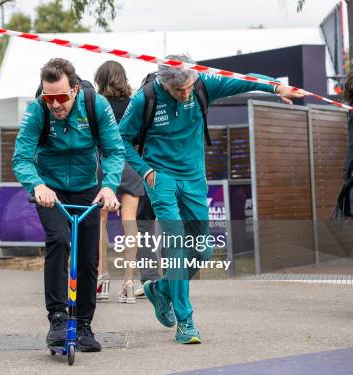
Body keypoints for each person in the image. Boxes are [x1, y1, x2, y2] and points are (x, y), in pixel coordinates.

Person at [119, 54, 306, 344]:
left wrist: (275, 87)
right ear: (165, 84)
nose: (187, 94)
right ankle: (186, 321)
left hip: (194, 178)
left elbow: (244, 80)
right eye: (180, 91)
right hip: (162, 178)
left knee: (203, 251)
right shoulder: (145, 99)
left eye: (190, 87)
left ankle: (161, 290)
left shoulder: (203, 84)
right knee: (177, 243)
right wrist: (146, 172)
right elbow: (122, 140)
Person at [13, 58, 125, 352]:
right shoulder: (38, 109)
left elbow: (114, 150)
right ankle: (58, 319)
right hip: (50, 190)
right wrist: (37, 185)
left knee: (88, 257)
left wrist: (109, 186)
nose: (55, 105)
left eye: (61, 97)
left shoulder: (96, 105)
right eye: (49, 98)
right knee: (59, 241)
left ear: (74, 90)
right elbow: (22, 157)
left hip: (87, 189)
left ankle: (85, 324)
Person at [93, 61, 146, 303]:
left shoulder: (98, 105)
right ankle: (128, 282)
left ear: (101, 80)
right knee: (130, 223)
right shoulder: (134, 105)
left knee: (101, 222)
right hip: (132, 167)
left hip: (107, 168)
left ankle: (101, 280)